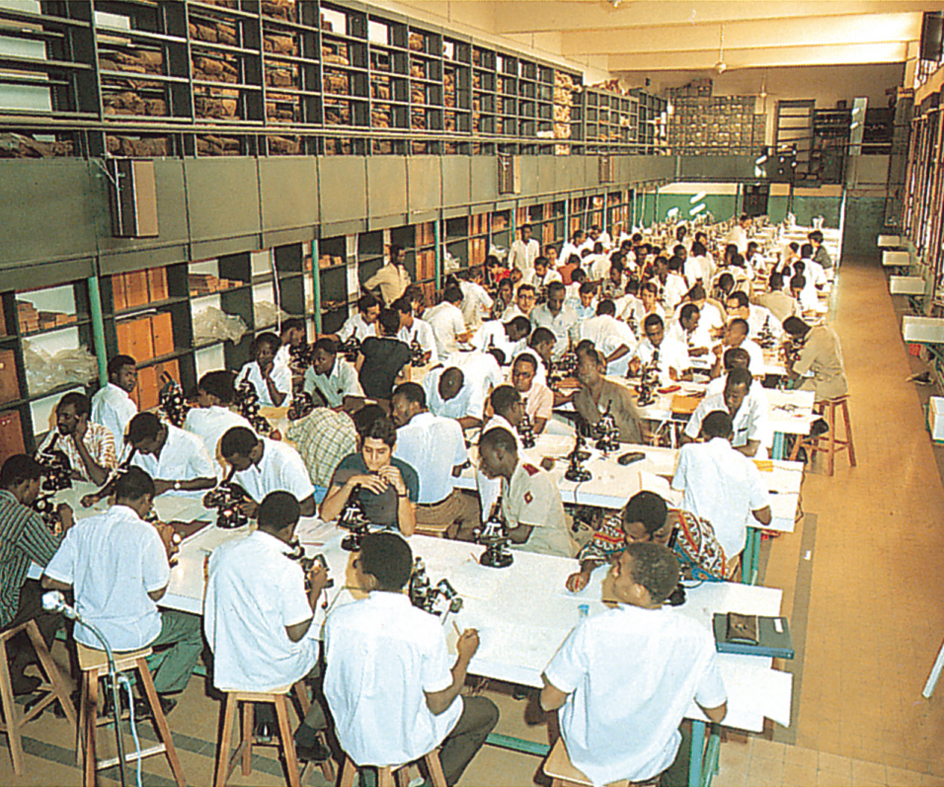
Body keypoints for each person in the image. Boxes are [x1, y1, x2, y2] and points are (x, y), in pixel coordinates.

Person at [542, 542, 727, 787]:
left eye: (619, 569)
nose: (612, 572)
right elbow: (717, 712)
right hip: (646, 763)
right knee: (684, 733)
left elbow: (548, 701)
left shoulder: (593, 629)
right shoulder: (697, 637)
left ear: (639, 590)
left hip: (587, 756)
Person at [323, 532, 498, 786]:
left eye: (357, 563)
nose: (354, 566)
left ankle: (370, 775)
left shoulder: (338, 619)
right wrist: (464, 659)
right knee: (487, 712)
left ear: (370, 579)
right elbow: (438, 704)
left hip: (354, 734)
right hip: (401, 740)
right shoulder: (425, 626)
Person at [43, 468, 203, 714]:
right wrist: (166, 553)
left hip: (88, 635)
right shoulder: (145, 533)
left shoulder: (83, 528)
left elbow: (50, 581)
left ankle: (119, 681)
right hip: (130, 635)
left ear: (114, 497)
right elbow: (157, 592)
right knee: (195, 626)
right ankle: (157, 692)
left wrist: (92, 577)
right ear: (146, 500)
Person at [204, 491, 332, 762]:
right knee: (334, 666)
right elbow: (297, 632)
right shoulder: (286, 569)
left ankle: (263, 721)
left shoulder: (222, 552)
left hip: (231, 661)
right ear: (289, 529)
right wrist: (316, 590)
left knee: (259, 631)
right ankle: (305, 736)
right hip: (270, 669)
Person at [0, 455, 71, 695]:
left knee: (32, 589)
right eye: (36, 486)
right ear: (25, 484)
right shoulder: (22, 517)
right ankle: (15, 671)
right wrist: (67, 521)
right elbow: (58, 560)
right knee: (56, 600)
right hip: (1, 609)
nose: (37, 493)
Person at [565, 491, 727, 592]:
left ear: (658, 534)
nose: (627, 539)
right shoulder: (627, 521)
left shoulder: (691, 532)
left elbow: (718, 571)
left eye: (635, 537)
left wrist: (675, 576)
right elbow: (595, 549)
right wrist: (585, 572)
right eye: (627, 533)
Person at [671, 411, 771, 564]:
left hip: (693, 543)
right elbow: (765, 518)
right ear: (731, 436)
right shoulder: (747, 465)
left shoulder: (689, 451)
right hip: (728, 550)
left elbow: (677, 486)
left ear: (702, 432)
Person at [390, 383, 479, 537]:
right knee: (477, 507)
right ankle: (459, 543)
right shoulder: (453, 426)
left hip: (407, 512)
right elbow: (457, 471)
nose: (393, 413)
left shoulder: (398, 436)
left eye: (398, 407)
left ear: (414, 405)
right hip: (442, 510)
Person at [477, 427, 574, 557]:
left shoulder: (535, 481)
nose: (482, 465)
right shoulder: (509, 479)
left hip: (547, 554)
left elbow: (522, 535)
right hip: (524, 551)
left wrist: (491, 533)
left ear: (499, 453)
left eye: (485, 458)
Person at [321, 414, 418, 535]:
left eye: (381, 452)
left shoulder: (407, 474)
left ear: (393, 449)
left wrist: (402, 492)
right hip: (351, 530)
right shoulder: (350, 464)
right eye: (368, 450)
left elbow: (407, 531)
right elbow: (326, 515)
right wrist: (350, 483)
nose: (373, 458)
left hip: (388, 533)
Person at [220, 427, 316, 518]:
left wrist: (263, 510)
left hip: (295, 524)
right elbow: (235, 487)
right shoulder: (243, 453)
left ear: (253, 453)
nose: (234, 469)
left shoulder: (286, 461)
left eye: (235, 464)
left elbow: (308, 508)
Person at [683, 368, 771, 458]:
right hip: (712, 458)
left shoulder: (757, 407)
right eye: (727, 393)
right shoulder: (708, 404)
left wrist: (720, 453)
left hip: (746, 459)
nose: (729, 400)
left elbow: (752, 450)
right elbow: (686, 437)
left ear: (746, 393)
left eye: (735, 397)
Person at [125, 412, 217, 498]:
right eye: (139, 449)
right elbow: (125, 471)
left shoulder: (190, 442)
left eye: (146, 448)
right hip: (150, 501)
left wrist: (171, 485)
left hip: (184, 501)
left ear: (159, 435)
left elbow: (210, 480)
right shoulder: (134, 446)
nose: (142, 452)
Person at [286, 404, 358, 505]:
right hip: (327, 495)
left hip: (299, 483)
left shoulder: (321, 414)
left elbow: (290, 433)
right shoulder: (352, 439)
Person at [37, 392, 116, 485]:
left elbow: (100, 479)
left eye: (67, 416)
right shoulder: (58, 432)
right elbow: (37, 464)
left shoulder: (103, 434)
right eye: (59, 415)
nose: (60, 421)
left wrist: (79, 442)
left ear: (82, 417)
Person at [183, 371, 254, 469]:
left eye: (200, 395)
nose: (198, 400)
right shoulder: (241, 422)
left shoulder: (194, 415)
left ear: (212, 398)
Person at [572, 348, 645, 443]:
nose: (584, 372)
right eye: (581, 367)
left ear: (599, 367)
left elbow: (637, 423)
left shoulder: (618, 392)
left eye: (589, 367)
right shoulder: (579, 398)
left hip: (627, 444)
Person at [783, 317, 849, 402]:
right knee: (801, 382)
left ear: (796, 334)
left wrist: (787, 351)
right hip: (840, 382)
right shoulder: (825, 330)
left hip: (827, 387)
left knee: (789, 391)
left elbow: (794, 374)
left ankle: (811, 413)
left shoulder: (811, 345)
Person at [356, 307, 412, 401]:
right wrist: (389, 377)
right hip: (386, 399)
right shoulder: (404, 349)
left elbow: (357, 369)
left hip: (363, 396)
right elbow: (406, 380)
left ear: (381, 327)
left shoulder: (368, 343)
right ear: (399, 327)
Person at [575, 299, 637, 377]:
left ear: (597, 312)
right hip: (614, 374)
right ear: (613, 313)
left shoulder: (584, 324)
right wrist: (606, 360)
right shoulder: (619, 325)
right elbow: (625, 348)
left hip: (587, 372)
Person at [91, 354, 138, 451]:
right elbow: (135, 438)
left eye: (134, 375)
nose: (132, 380)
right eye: (127, 375)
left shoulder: (98, 396)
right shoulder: (123, 403)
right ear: (114, 375)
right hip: (119, 457)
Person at [630, 314, 692, 385]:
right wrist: (632, 371)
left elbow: (690, 376)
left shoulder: (677, 346)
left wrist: (678, 378)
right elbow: (634, 375)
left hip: (670, 389)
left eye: (658, 333)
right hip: (647, 387)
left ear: (663, 330)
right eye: (652, 334)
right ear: (646, 333)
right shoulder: (642, 346)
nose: (656, 337)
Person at [304, 337, 364, 409]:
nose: (316, 363)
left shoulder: (347, 371)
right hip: (333, 412)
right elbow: (306, 393)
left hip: (353, 413)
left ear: (333, 356)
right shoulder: (312, 371)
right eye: (313, 359)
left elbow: (350, 405)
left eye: (321, 359)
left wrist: (329, 413)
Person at [236, 332, 292, 407]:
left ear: (274, 354)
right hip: (256, 409)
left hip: (277, 411)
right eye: (258, 351)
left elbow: (278, 402)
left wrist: (268, 378)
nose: (260, 356)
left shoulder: (283, 371)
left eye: (265, 353)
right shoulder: (248, 368)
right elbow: (237, 391)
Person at [531, 281, 578, 361]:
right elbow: (531, 338)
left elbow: (575, 339)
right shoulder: (536, 312)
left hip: (562, 359)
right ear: (548, 297)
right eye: (554, 300)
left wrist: (570, 352)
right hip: (540, 358)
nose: (557, 305)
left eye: (561, 301)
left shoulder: (571, 314)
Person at [425, 285, 471, 359]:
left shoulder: (430, 311)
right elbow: (463, 337)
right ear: (458, 301)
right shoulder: (455, 311)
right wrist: (469, 334)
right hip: (446, 353)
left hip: (430, 353)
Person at [510, 354, 553, 434]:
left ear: (533, 375)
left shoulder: (544, 393)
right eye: (516, 373)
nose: (520, 378)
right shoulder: (503, 390)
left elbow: (539, 424)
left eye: (525, 375)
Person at [394, 296, 438, 366]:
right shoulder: (398, 329)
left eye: (400, 317)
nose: (398, 320)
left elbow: (429, 351)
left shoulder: (424, 326)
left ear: (408, 314)